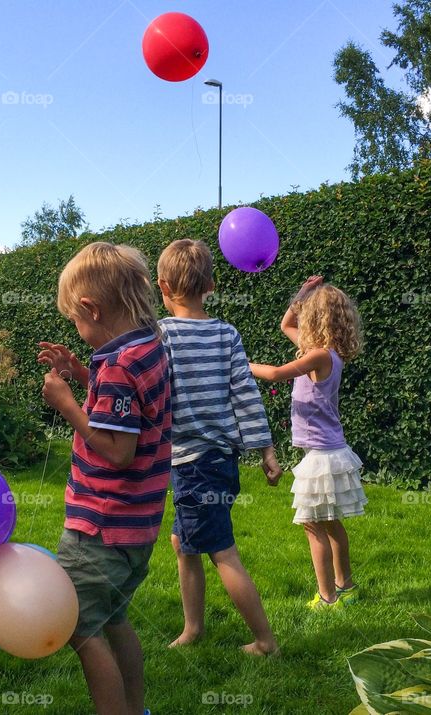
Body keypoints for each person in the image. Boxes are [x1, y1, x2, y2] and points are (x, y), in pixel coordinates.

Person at [38, 241, 170, 715]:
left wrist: (68, 406)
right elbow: (125, 409)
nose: (77, 327)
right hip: (136, 528)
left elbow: (117, 450)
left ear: (92, 308)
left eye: (76, 319)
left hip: (101, 528)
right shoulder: (146, 349)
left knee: (80, 627)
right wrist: (78, 370)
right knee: (114, 618)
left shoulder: (116, 367)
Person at [156, 239, 281, 655]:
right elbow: (246, 395)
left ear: (162, 285)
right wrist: (266, 450)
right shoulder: (227, 333)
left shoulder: (162, 334)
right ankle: (193, 629)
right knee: (182, 542)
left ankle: (265, 641)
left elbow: (150, 393)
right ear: (210, 283)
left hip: (194, 464)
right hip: (219, 460)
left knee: (222, 551)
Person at [250, 276, 367, 609]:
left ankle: (327, 596)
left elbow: (274, 373)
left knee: (312, 525)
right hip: (329, 451)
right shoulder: (328, 354)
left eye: (306, 311)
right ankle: (346, 585)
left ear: (316, 319)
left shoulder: (318, 356)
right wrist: (302, 292)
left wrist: (238, 364)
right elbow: (285, 322)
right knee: (331, 524)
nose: (300, 316)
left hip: (321, 456)